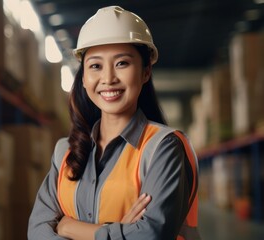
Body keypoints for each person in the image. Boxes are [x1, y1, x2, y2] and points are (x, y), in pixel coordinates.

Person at [28, 5, 200, 240]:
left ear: (145, 71)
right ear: (85, 79)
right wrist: (119, 231)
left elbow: (150, 234)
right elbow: (37, 231)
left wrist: (69, 228)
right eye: (95, 66)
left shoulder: (163, 148)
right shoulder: (65, 152)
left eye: (122, 63)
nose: (108, 79)